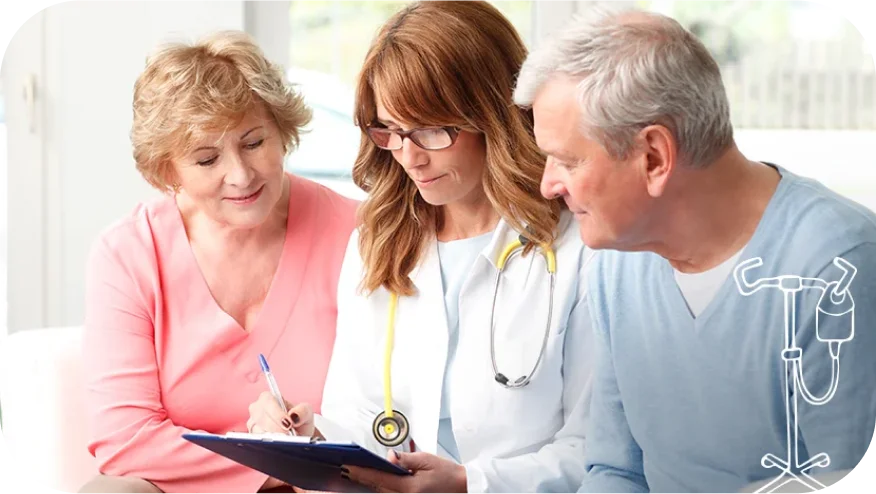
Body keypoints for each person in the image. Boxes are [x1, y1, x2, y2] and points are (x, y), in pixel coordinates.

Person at [514, 7, 876, 494]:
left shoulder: (840, 267)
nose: (547, 185)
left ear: (654, 157)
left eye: (567, 160)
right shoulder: (616, 268)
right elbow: (616, 470)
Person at [246, 0, 595, 492]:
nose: (409, 157)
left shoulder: (577, 247)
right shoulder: (378, 242)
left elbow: (598, 449)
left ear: (491, 115)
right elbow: (363, 420)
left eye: (431, 130)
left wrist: (470, 483)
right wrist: (312, 435)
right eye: (390, 130)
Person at [78, 31, 358, 493]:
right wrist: (273, 465)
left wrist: (314, 451)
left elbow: (392, 412)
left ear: (282, 131)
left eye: (253, 143)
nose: (241, 175)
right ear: (168, 171)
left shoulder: (355, 232)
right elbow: (123, 441)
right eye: (207, 159)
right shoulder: (128, 253)